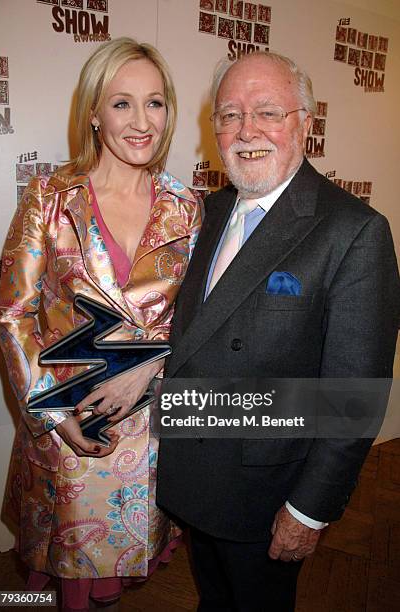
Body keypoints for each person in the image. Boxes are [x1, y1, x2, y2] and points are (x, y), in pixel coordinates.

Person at [157, 51, 400, 611]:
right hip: (196, 474)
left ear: (305, 124)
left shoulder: (354, 231)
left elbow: (355, 396)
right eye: (229, 115)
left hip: (267, 498)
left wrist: (310, 508)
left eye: (268, 111)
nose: (246, 132)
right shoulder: (206, 212)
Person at [0, 37, 202, 612]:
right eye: (122, 104)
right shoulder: (50, 199)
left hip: (149, 432)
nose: (142, 123)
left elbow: (199, 318)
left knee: (115, 580)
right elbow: (13, 315)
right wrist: (56, 415)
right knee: (67, 581)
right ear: (93, 112)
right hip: (69, 426)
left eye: (155, 103)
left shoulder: (189, 207)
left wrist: (156, 359)